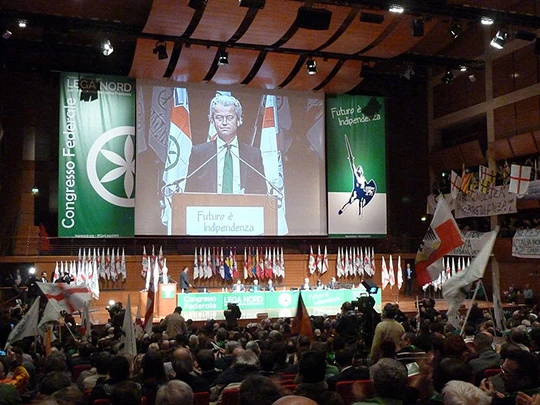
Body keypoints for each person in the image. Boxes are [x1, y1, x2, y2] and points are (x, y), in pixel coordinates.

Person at [185, 94, 267, 195]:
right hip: (209, 209)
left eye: (230, 118)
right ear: (212, 121)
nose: (224, 122)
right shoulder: (199, 153)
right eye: (219, 118)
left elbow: (261, 193)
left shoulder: (253, 155)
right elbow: (190, 192)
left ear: (239, 120)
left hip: (243, 209)